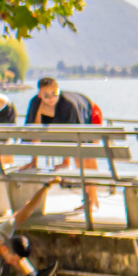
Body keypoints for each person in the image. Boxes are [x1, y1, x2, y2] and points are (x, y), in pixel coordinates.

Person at [20, 77, 103, 207]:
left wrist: (66, 160)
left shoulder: (68, 105)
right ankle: (91, 199)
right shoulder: (36, 104)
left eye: (54, 94)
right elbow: (34, 133)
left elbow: (73, 136)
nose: (51, 98)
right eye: (46, 95)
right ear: (39, 95)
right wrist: (33, 161)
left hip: (91, 112)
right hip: (73, 121)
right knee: (79, 156)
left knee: (85, 158)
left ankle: (91, 199)